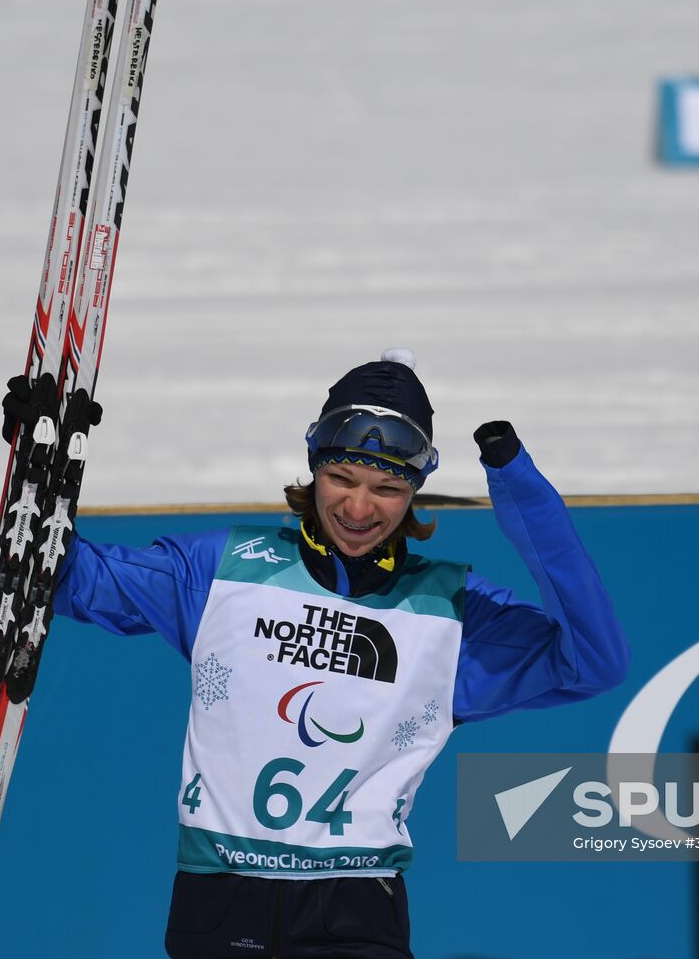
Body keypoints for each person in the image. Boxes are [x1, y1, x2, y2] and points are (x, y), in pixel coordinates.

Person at [43, 348, 630, 959]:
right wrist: (38, 472)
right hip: (216, 900)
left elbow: (594, 659)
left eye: (387, 487)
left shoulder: (448, 614)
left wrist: (519, 486)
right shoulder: (226, 571)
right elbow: (76, 578)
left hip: (354, 912)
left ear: (415, 492)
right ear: (314, 468)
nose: (357, 508)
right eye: (342, 478)